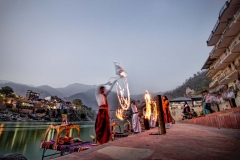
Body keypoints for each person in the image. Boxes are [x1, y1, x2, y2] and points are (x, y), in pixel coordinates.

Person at [95, 79, 118, 145]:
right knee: (100, 126)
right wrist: (106, 83)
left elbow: (110, 90)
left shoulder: (104, 95)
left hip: (105, 112)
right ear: (100, 89)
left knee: (106, 126)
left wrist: (113, 83)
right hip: (101, 112)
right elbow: (98, 86)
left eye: (104, 89)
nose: (103, 90)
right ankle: (100, 140)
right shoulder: (97, 95)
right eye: (102, 89)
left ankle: (105, 140)